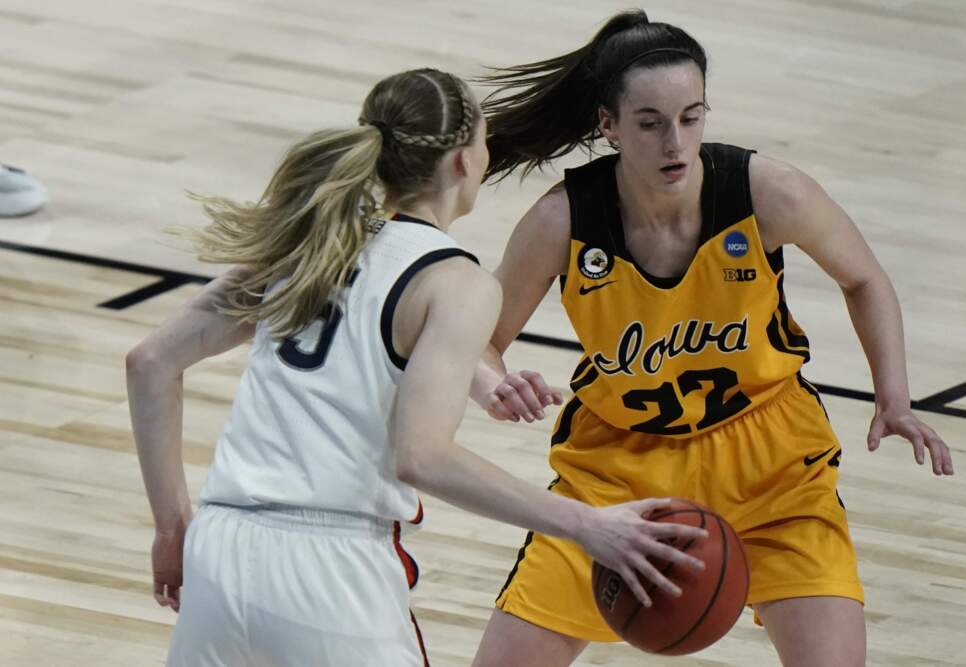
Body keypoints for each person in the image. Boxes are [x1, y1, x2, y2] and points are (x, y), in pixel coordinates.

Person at [125, 67, 708, 667]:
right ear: (462, 161)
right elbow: (422, 457)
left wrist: (173, 527)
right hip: (330, 572)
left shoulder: (310, 241)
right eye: (484, 139)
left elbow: (150, 362)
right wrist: (588, 526)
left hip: (221, 549)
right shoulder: (458, 281)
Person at [468, 10, 954, 667]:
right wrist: (496, 385)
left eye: (691, 116)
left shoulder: (767, 193)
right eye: (650, 122)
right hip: (617, 474)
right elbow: (479, 339)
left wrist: (892, 395)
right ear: (608, 125)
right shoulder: (562, 220)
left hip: (772, 462)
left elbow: (864, 277)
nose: (675, 141)